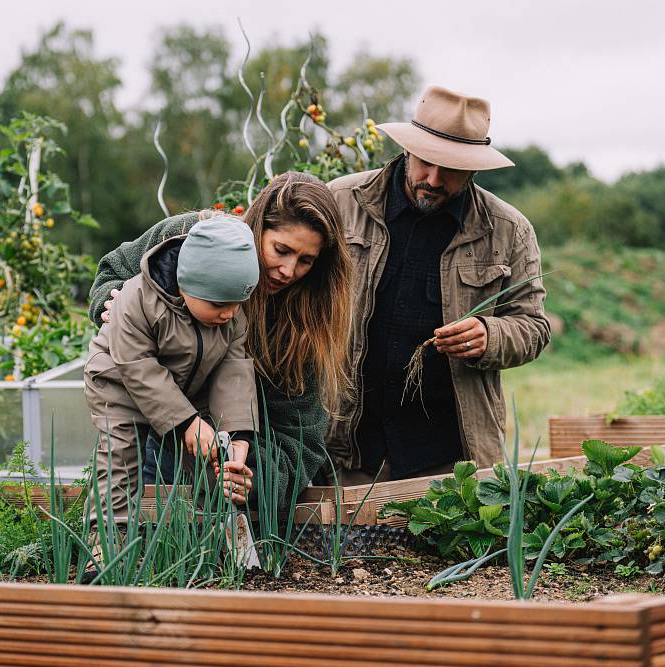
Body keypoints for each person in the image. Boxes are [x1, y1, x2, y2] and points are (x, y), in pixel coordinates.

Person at [325, 85, 551, 484]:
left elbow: (533, 327)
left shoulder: (508, 231)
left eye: (452, 169)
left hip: (450, 458)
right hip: (345, 450)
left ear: (475, 168)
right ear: (408, 148)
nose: (433, 179)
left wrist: (491, 336)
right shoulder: (341, 203)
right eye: (426, 162)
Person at [88, 172, 352, 506]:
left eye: (305, 261)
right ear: (257, 229)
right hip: (143, 431)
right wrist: (112, 302)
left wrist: (250, 477)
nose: (287, 270)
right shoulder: (188, 238)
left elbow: (301, 440)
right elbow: (113, 271)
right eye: (281, 249)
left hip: (221, 459)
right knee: (124, 521)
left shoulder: (302, 327)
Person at [83, 215, 260, 533]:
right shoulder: (136, 299)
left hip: (186, 385)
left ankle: (212, 536)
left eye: (238, 303)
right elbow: (137, 367)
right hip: (120, 380)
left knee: (212, 453)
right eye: (219, 303)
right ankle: (107, 541)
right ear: (186, 283)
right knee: (120, 458)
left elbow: (234, 371)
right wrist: (186, 422)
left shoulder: (229, 315)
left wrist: (238, 437)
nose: (229, 313)